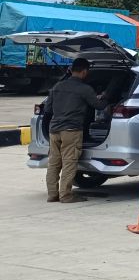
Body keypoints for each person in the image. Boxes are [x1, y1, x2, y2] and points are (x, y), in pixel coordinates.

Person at [42, 58, 107, 203]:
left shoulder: (57, 86)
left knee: (53, 162)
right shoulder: (85, 89)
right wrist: (106, 97)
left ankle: (52, 194)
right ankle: (66, 195)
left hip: (54, 130)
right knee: (69, 162)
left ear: (71, 70)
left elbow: (47, 109)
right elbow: (99, 105)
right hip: (71, 130)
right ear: (84, 72)